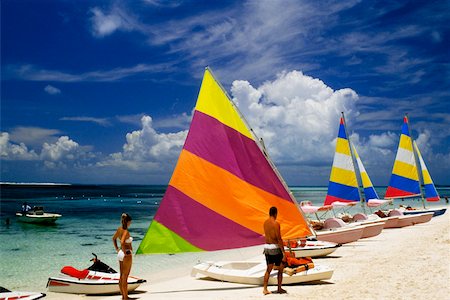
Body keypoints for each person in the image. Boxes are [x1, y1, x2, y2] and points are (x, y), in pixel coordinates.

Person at [262, 206, 286, 295]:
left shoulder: (265, 223)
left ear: (269, 213)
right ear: (276, 213)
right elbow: (278, 238)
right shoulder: (276, 223)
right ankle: (279, 288)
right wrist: (283, 252)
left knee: (268, 269)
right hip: (275, 248)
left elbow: (268, 236)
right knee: (281, 268)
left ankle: (265, 289)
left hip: (267, 248)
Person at [112, 213, 133, 300]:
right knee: (125, 277)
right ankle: (125, 298)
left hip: (120, 253)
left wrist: (117, 249)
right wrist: (126, 251)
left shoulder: (119, 229)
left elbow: (114, 238)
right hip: (126, 254)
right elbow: (122, 242)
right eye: (130, 222)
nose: (130, 223)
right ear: (127, 222)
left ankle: (123, 296)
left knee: (121, 276)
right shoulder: (125, 231)